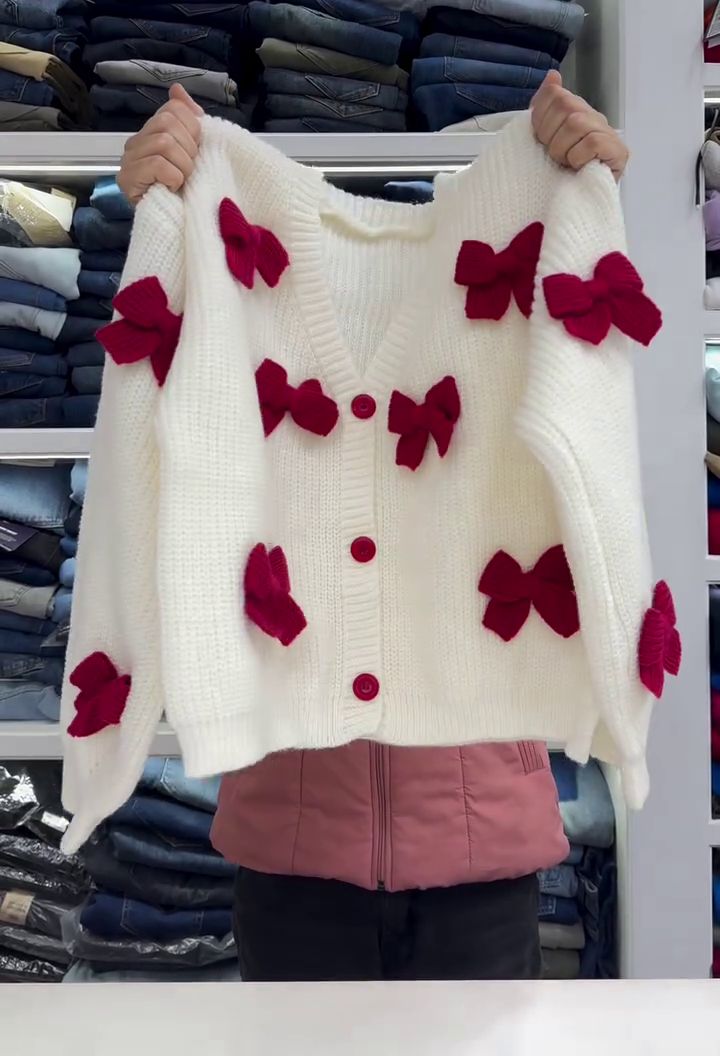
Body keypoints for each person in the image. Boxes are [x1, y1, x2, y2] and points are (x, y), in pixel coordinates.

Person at [116, 75, 630, 983]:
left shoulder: (505, 282)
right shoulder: (243, 286)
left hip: (486, 857)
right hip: (293, 857)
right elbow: (146, 454)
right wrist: (160, 222)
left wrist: (587, 202)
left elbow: (595, 442)